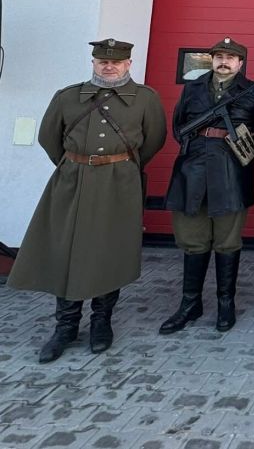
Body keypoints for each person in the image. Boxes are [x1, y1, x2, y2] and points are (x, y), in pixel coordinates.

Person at [8, 38, 167, 362]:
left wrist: (120, 166)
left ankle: (101, 322)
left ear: (128, 64)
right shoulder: (67, 97)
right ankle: (65, 327)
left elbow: (154, 140)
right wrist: (77, 165)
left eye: (116, 62)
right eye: (102, 61)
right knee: (65, 250)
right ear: (93, 63)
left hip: (118, 184)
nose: (109, 66)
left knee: (110, 251)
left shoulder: (145, 99)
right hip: (73, 181)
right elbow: (49, 138)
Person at [160, 37, 254, 335]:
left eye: (230, 58)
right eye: (219, 56)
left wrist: (244, 146)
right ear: (212, 60)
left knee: (227, 242)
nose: (224, 61)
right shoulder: (193, 88)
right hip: (192, 171)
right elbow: (179, 126)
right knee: (193, 241)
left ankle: (225, 303)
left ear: (240, 63)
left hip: (231, 174)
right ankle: (190, 304)